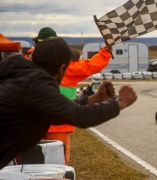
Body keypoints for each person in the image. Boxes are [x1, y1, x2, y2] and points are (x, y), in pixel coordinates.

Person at [0, 37, 137, 169]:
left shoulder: (22, 76)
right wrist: (120, 103)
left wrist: (93, 99)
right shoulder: (37, 84)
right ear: (61, 69)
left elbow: (56, 112)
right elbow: (80, 116)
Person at [26, 27, 113, 165]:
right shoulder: (68, 66)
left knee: (29, 161)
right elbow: (91, 66)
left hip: (30, 123)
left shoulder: (25, 63)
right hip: (60, 123)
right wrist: (105, 52)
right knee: (58, 163)